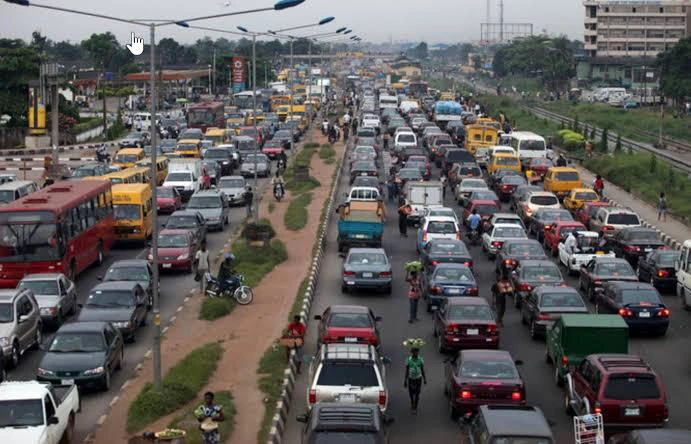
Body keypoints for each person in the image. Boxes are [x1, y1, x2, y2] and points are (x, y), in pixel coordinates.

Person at [404, 347, 426, 414]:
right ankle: (412, 403)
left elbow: (422, 369)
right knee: (411, 394)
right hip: (411, 379)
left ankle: (415, 407)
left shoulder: (421, 359)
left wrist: (425, 379)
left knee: (417, 393)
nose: (416, 353)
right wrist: (405, 380)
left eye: (417, 351)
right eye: (415, 351)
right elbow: (407, 371)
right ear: (412, 352)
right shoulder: (408, 360)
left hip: (418, 379)